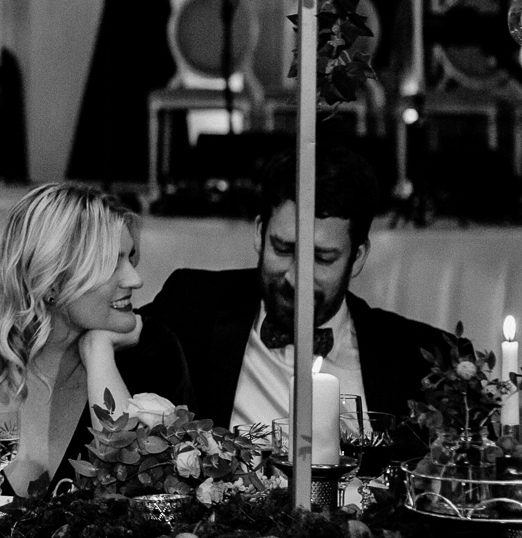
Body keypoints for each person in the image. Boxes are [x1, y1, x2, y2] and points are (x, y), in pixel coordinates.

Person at [0, 183, 192, 499]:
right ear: (50, 279)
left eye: (130, 258)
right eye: (111, 263)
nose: (135, 279)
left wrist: (99, 351)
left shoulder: (152, 353)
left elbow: (156, 506)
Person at [140, 146, 451, 435]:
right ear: (261, 235)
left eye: (322, 257)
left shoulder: (422, 359)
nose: (297, 276)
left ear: (357, 257)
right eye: (284, 249)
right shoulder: (193, 308)